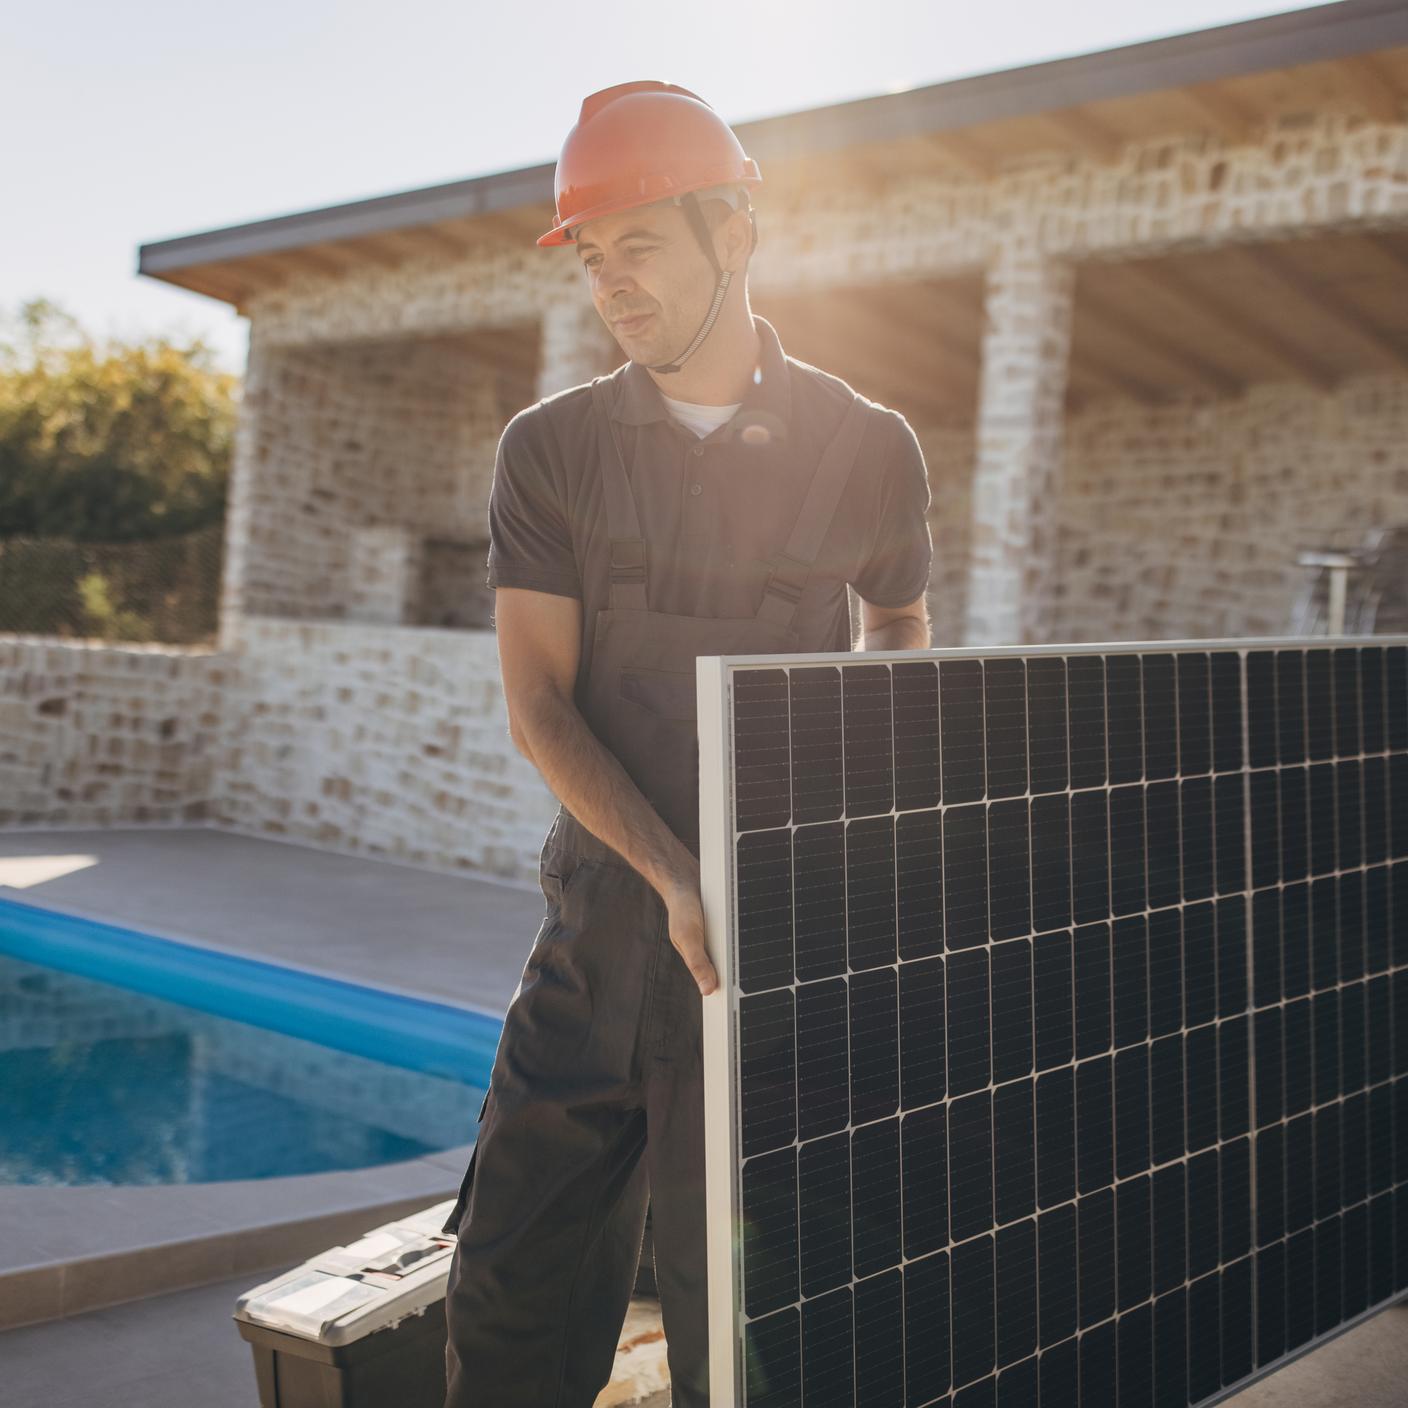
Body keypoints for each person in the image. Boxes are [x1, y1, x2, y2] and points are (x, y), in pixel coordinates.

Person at [440, 80, 934, 1408]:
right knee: (508, 1301)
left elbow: (899, 624)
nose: (611, 287)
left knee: (757, 1335)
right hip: (600, 940)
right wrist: (670, 874)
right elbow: (539, 702)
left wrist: (841, 822)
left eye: (637, 247)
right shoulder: (553, 452)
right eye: (592, 260)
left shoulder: (871, 449)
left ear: (736, 232)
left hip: (775, 962)